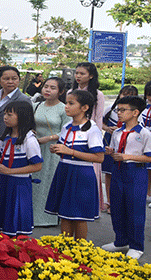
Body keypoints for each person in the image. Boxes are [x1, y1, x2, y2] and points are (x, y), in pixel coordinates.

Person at [102, 95, 151, 260]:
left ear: (135, 112)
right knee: (117, 206)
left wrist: (127, 157)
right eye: (118, 110)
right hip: (118, 170)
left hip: (136, 172)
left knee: (135, 209)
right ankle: (121, 240)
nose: (119, 113)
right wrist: (110, 152)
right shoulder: (117, 132)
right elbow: (115, 150)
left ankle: (136, 245)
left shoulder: (144, 133)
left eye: (123, 110)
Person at [44, 89, 105, 240]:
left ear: (84, 108)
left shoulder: (92, 129)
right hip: (64, 170)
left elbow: (99, 157)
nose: (66, 106)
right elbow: (65, 151)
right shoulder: (67, 127)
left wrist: (70, 151)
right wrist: (57, 150)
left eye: (71, 103)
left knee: (79, 215)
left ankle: (80, 248)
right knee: (64, 213)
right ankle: (65, 246)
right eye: (66, 103)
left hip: (81, 174)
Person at [0, 101, 42, 235]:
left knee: (16, 219)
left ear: (22, 116)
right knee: (2, 219)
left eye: (9, 114)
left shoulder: (29, 140)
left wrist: (9, 171)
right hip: (2, 182)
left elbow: (37, 166)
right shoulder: (5, 137)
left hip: (19, 184)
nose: (5, 118)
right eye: (5, 114)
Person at [32, 77, 70, 227]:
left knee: (49, 181)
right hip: (36, 147)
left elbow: (67, 131)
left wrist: (49, 138)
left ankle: (48, 217)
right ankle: (32, 215)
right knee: (34, 181)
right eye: (46, 86)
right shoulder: (36, 105)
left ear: (61, 92)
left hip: (53, 149)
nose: (47, 90)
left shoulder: (64, 109)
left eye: (53, 88)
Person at [72, 62, 107, 212]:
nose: (78, 76)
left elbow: (98, 118)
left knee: (91, 170)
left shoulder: (98, 95)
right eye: (77, 73)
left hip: (90, 136)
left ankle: (90, 206)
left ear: (91, 76)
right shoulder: (71, 92)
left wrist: (96, 139)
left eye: (82, 73)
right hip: (73, 135)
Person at [100, 85, 140, 213]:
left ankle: (121, 203)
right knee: (108, 173)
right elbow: (101, 122)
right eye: (124, 94)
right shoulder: (111, 109)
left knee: (123, 172)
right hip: (110, 140)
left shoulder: (137, 113)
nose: (126, 97)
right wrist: (107, 129)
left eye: (130, 94)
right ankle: (109, 201)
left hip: (127, 143)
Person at [0, 66, 32, 155]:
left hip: (10, 141)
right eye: (6, 79)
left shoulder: (23, 99)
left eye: (14, 79)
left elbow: (27, 122)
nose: (10, 82)